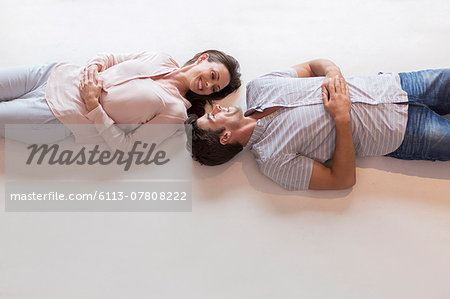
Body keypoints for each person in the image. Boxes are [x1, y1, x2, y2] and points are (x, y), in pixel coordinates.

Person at [185, 59, 450, 190]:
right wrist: (342, 118)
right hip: (402, 133)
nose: (216, 107)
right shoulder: (273, 162)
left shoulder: (260, 86)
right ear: (225, 137)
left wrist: (333, 74)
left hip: (397, 84)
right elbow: (342, 180)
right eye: (211, 117)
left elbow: (314, 66)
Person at [0, 50, 241, 151]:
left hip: (57, 116)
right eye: (213, 76)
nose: (208, 85)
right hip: (53, 74)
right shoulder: (161, 58)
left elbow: (127, 147)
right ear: (203, 59)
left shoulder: (175, 112)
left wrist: (94, 106)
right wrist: (93, 67)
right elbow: (111, 57)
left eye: (214, 88)